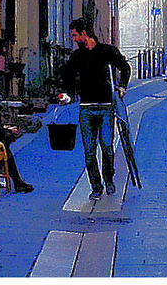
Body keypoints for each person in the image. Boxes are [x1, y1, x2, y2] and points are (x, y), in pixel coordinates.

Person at [58, 18, 131, 201]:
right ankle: (96, 186)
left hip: (106, 107)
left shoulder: (106, 51)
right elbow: (67, 77)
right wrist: (65, 94)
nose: (73, 39)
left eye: (75, 35)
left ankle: (109, 179)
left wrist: (122, 86)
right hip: (86, 108)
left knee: (107, 147)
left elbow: (125, 67)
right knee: (89, 150)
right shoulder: (77, 57)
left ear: (84, 33)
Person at [0, 83, 33, 193]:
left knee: (4, 138)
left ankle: (10, 179)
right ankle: (16, 181)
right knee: (4, 141)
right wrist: (9, 131)